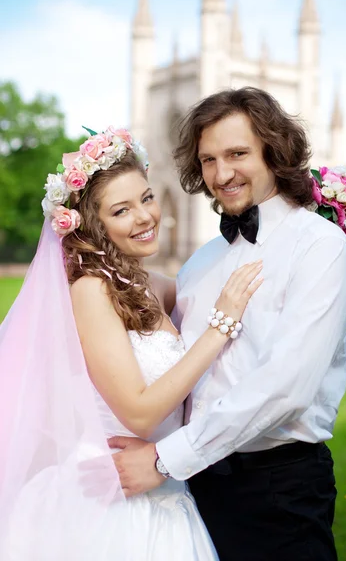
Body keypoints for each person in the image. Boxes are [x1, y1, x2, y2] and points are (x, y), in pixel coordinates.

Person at [107, 88, 346, 561]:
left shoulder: (319, 247)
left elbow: (287, 387)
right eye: (208, 160)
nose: (221, 174)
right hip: (189, 486)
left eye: (237, 154)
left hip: (276, 490)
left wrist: (163, 459)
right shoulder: (201, 262)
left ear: (274, 148)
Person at [0, 126, 264, 560]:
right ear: (92, 225)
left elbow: (226, 276)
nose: (145, 217)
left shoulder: (149, 285)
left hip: (166, 489)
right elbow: (139, 413)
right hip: (111, 501)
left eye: (146, 198)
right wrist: (221, 326)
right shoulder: (91, 289)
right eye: (121, 211)